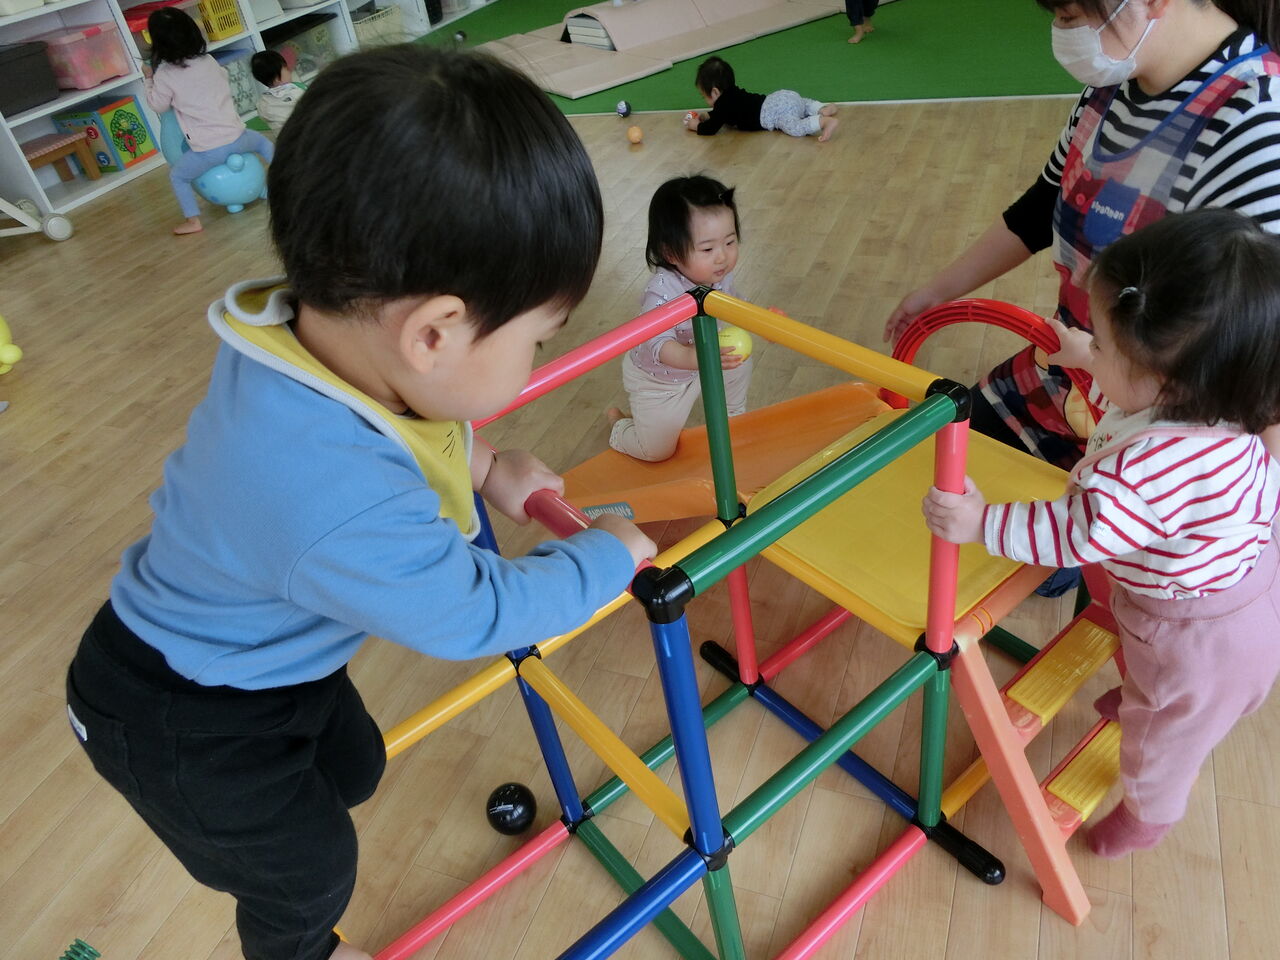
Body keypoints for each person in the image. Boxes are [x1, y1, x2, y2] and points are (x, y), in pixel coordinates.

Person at [66, 45, 656, 960]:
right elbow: (478, 612)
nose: (536, 358)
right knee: (308, 873)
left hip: (261, 665)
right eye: (538, 341)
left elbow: (412, 422)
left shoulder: (310, 333)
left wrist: (488, 466)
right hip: (183, 720)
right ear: (433, 333)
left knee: (354, 766)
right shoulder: (326, 487)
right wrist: (603, 555)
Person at [922, 208, 1280, 859]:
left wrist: (980, 522)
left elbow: (1073, 535)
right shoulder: (1220, 395)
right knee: (1162, 686)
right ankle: (1148, 692)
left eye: (1104, 345)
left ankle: (1149, 815)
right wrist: (1085, 355)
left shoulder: (1143, 473)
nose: (1094, 348)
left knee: (1162, 744)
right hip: (1241, 580)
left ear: (1164, 380)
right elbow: (1131, 393)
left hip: (1195, 635)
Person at [885, 0, 1280, 472]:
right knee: (918, 471)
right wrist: (938, 292)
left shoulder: (1257, 120)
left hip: (1159, 436)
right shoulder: (1114, 83)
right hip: (1067, 372)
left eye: (1071, 16)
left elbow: (1262, 351)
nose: (1062, 31)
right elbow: (1042, 206)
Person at [607, 175, 754, 462]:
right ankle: (620, 427)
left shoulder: (717, 275)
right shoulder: (661, 293)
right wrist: (695, 357)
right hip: (661, 380)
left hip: (704, 360)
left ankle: (734, 417)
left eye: (730, 242)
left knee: (736, 361)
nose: (722, 257)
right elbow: (658, 345)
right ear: (671, 253)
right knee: (657, 452)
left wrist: (762, 320)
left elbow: (733, 303)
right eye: (708, 249)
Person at [143, 7, 275, 235]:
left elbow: (158, 105)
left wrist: (148, 79)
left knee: (178, 176)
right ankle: (287, 181)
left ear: (158, 44)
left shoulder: (164, 74)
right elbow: (222, 79)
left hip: (209, 150)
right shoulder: (208, 60)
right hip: (240, 137)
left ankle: (193, 221)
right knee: (265, 144)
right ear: (193, 32)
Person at [685, 56, 839, 141]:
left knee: (794, 127)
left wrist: (695, 125)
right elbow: (722, 114)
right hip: (780, 97)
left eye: (704, 96)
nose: (704, 99)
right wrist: (708, 115)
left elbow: (711, 128)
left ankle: (823, 121)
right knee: (802, 104)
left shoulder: (723, 104)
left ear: (715, 92)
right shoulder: (732, 93)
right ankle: (823, 108)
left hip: (773, 113)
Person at [251, 49, 306, 133]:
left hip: (283, 138)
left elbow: (263, 116)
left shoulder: (263, 102)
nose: (290, 71)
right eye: (286, 69)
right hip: (304, 132)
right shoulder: (295, 92)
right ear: (277, 78)